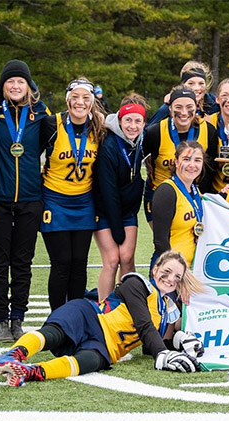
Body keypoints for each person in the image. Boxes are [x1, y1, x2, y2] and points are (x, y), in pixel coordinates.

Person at [0, 251, 205, 387]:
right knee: (54, 334)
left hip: (106, 347)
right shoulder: (137, 284)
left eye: (177, 277)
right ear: (155, 269)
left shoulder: (166, 310)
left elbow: (152, 343)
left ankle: (30, 372)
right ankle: (11, 355)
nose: (170, 279)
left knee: (89, 363)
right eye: (166, 272)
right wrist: (164, 353)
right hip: (89, 317)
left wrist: (178, 341)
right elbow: (143, 324)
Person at [0, 59, 50, 342]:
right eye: (10, 81)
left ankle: (17, 318)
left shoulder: (40, 112)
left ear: (28, 85)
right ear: (2, 85)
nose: (14, 85)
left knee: (23, 262)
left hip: (30, 200)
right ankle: (1, 320)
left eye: (20, 81)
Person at [39, 78, 106, 311]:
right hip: (55, 200)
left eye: (86, 98)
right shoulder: (51, 124)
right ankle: (57, 318)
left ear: (92, 102)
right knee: (61, 263)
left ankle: (75, 315)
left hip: (84, 202)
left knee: (79, 264)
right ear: (67, 100)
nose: (80, 102)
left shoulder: (98, 126)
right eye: (75, 97)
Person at [93, 97, 148, 301]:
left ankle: (127, 304)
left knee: (127, 258)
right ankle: (104, 308)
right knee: (112, 259)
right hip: (105, 211)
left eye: (137, 121)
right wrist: (116, 227)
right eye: (128, 121)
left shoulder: (140, 140)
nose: (132, 126)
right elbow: (108, 191)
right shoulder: (109, 145)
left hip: (127, 211)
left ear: (143, 123)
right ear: (120, 121)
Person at [142, 86, 217, 226]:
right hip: (161, 195)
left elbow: (210, 170)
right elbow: (143, 161)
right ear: (169, 108)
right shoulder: (155, 132)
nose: (184, 112)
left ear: (196, 107)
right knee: (164, 243)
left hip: (195, 196)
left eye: (189, 107)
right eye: (178, 107)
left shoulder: (208, 130)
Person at [151, 140, 207, 267]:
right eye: (186, 159)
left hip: (193, 269)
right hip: (170, 271)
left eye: (197, 160)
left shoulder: (195, 190)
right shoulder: (167, 191)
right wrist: (175, 270)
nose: (192, 165)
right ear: (176, 162)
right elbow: (160, 242)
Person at [148, 61, 219, 127]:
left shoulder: (215, 105)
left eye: (201, 83)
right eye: (191, 83)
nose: (197, 88)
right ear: (182, 85)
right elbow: (148, 133)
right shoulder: (169, 108)